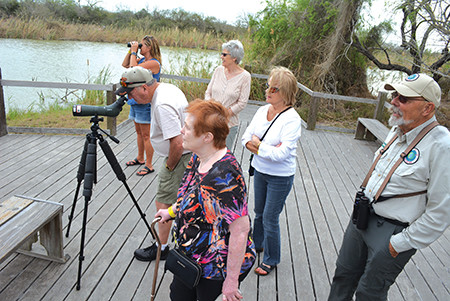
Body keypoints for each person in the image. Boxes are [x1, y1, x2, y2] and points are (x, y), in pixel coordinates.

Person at [328, 73, 450, 300]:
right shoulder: (398, 129)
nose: (393, 101)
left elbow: (441, 213)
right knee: (343, 277)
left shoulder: (442, 146)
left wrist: (398, 244)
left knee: (369, 293)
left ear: (427, 108)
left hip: (393, 231)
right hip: (362, 219)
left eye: (403, 98)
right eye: (395, 95)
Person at [156, 99, 256, 301]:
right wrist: (171, 212)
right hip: (190, 254)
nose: (181, 130)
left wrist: (231, 281)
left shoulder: (225, 176)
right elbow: (190, 197)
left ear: (207, 137)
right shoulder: (198, 157)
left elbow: (240, 230)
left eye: (187, 127)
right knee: (178, 296)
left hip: (214, 266)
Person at [116, 66, 191, 262]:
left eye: (131, 93)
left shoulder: (161, 105)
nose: (130, 99)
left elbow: (178, 143)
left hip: (180, 157)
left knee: (164, 201)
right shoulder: (167, 88)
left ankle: (162, 247)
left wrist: (169, 167)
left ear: (143, 88)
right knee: (179, 199)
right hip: (186, 155)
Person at [241, 66, 302, 276]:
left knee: (270, 217)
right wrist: (264, 148)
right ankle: (256, 245)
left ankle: (271, 258)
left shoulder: (292, 119)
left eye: (273, 89)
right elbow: (244, 138)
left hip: (280, 177)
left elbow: (282, 154)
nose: (267, 91)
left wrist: (258, 145)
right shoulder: (261, 111)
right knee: (258, 212)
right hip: (260, 170)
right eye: (268, 86)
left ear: (285, 93)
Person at [122, 35, 162, 176]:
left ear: (149, 47)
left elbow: (133, 69)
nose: (140, 47)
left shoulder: (154, 63)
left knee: (146, 135)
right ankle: (140, 158)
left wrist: (134, 51)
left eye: (142, 45)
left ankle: (149, 164)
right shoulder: (143, 60)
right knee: (139, 133)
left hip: (145, 101)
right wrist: (130, 52)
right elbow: (125, 65)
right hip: (135, 100)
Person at [205, 40, 251, 150]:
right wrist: (210, 107)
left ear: (234, 57)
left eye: (224, 54)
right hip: (210, 121)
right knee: (206, 154)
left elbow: (242, 102)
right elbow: (208, 92)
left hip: (228, 125)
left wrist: (225, 114)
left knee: (223, 158)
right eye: (222, 54)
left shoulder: (245, 77)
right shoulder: (218, 70)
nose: (221, 57)